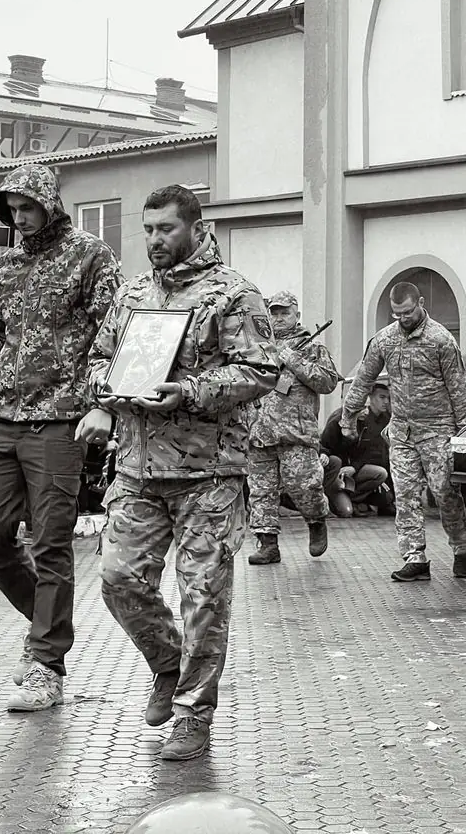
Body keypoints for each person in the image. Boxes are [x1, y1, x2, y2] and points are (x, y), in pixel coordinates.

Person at [82, 184, 278, 761]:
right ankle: (167, 662)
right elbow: (99, 358)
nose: (153, 241)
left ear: (194, 227)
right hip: (138, 468)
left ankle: (194, 714)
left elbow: (261, 370)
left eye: (164, 229)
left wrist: (189, 392)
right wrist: (106, 393)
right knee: (119, 580)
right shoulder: (134, 294)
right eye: (146, 230)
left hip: (208, 475)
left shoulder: (234, 295)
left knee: (204, 599)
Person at [0, 164, 122, 713]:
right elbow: (1, 339)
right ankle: (48, 625)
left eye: (26, 207)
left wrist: (101, 405)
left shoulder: (91, 256)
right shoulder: (8, 267)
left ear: (49, 202)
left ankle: (46, 661)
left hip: (59, 419)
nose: (19, 218)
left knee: (50, 543)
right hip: (3, 415)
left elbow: (115, 334)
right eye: (10, 209)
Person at [341, 282, 466, 582]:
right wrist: (348, 416)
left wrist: (465, 433)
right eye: (397, 313)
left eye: (409, 311)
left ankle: (460, 545)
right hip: (402, 431)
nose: (403, 318)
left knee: (443, 493)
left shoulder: (442, 340)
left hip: (438, 430)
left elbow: (458, 390)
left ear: (422, 303)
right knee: (406, 494)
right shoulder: (385, 340)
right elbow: (363, 379)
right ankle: (415, 558)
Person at [246, 291, 340, 565]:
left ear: (297, 315)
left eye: (284, 312)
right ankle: (267, 544)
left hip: (295, 434)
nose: (278, 318)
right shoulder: (257, 347)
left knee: (305, 487)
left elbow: (327, 382)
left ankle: (316, 520)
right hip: (259, 432)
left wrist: (291, 358)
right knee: (261, 492)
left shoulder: (312, 347)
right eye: (273, 313)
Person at [321, 379, 393, 518]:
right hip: (337, 473)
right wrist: (326, 456)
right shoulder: (337, 419)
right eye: (382, 397)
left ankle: (354, 500)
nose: (386, 402)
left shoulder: (368, 421)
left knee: (381, 477)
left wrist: (354, 467)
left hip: (354, 473)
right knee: (345, 511)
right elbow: (324, 445)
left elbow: (369, 452)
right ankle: (329, 499)